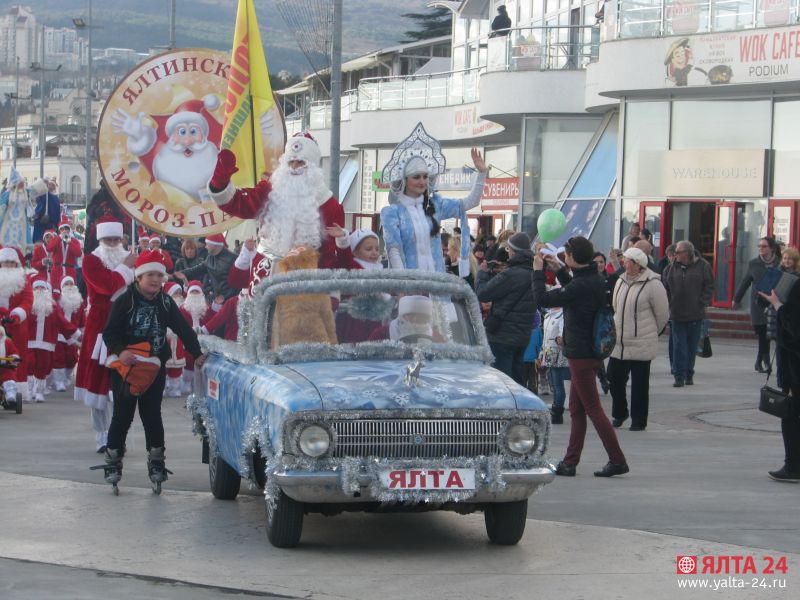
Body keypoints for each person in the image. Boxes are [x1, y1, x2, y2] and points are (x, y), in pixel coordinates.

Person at [101, 250, 206, 487]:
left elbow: (183, 328)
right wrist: (121, 351)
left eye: (159, 275)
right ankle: (113, 459)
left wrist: (196, 353)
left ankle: (157, 461)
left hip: (155, 367)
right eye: (150, 275)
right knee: (123, 415)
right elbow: (109, 332)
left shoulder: (166, 302)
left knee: (152, 415)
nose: (156, 280)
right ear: (139, 277)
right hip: (127, 368)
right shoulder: (124, 300)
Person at [532, 236, 629, 477]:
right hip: (590, 351)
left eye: (566, 255)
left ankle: (617, 460)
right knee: (576, 409)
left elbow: (542, 299)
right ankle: (570, 461)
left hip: (581, 353)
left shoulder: (581, 285)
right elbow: (574, 289)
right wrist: (561, 271)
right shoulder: (594, 277)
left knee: (593, 409)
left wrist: (537, 272)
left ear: (574, 257)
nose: (564, 257)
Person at [208, 132, 344, 288]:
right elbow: (237, 204)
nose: (294, 167)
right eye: (290, 162)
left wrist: (327, 293)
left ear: (313, 166)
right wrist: (220, 182)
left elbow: (329, 254)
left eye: (301, 162)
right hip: (265, 274)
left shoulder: (329, 204)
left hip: (304, 280)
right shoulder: (269, 191)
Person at [380, 124, 487, 276]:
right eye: (416, 177)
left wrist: (482, 173)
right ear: (404, 181)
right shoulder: (392, 213)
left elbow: (469, 203)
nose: (422, 181)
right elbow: (393, 251)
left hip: (437, 286)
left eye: (425, 176)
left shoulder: (436, 204)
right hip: (410, 286)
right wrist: (402, 284)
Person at [75, 217, 137, 453]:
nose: (112, 243)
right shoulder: (91, 260)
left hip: (125, 326)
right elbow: (107, 286)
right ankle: (102, 436)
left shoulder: (129, 260)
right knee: (99, 384)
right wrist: (127, 267)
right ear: (100, 240)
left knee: (123, 384)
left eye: (116, 239)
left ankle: (117, 433)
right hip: (100, 327)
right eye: (108, 240)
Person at [608, 248, 669, 431]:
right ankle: (620, 413)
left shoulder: (653, 284)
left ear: (637, 264)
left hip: (642, 341)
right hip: (619, 342)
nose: (623, 263)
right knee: (614, 378)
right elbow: (615, 307)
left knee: (640, 384)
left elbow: (662, 314)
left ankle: (639, 420)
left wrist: (650, 333)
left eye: (626, 260)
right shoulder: (620, 281)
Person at [476, 232, 537, 386]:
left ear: (514, 251)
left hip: (502, 336)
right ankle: (521, 409)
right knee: (517, 381)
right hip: (522, 336)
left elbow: (483, 293)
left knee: (502, 383)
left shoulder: (511, 275)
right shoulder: (534, 273)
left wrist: (482, 273)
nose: (507, 252)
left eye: (509, 249)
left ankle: (507, 410)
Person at [759, 276, 800, 481]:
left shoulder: (796, 287)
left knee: (791, 416)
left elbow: (794, 328)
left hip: (795, 369)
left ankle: (793, 466)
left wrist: (778, 306)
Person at [661, 240, 713, 387]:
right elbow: (664, 289)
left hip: (695, 313)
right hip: (676, 313)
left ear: (687, 253)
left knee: (691, 345)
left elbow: (709, 286)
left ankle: (689, 372)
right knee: (679, 345)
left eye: (678, 252)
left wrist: (702, 302)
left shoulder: (703, 266)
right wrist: (669, 303)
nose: (674, 255)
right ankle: (679, 376)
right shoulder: (670, 269)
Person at [733, 236, 781, 373]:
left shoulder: (779, 263)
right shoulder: (753, 263)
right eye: (759, 246)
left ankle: (760, 361)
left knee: (771, 332)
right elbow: (746, 281)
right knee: (762, 333)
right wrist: (736, 299)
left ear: (771, 248)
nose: (761, 249)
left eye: (764, 246)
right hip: (758, 304)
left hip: (774, 302)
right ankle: (764, 361)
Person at [26, 280, 78, 402]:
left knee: (43, 367)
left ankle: (39, 391)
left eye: (42, 287)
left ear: (47, 291)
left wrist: (75, 334)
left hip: (46, 343)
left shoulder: (53, 306)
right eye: (37, 287)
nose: (39, 289)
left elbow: (62, 323)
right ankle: (28, 390)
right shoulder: (28, 304)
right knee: (29, 363)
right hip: (29, 341)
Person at [0, 247, 33, 407]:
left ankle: (17, 388)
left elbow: (27, 300)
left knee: (16, 356)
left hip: (17, 324)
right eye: (5, 262)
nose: (8, 265)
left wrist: (17, 314)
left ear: (16, 264)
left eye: (12, 263)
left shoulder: (23, 280)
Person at [175, 233, 238, 300]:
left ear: (215, 244)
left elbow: (239, 281)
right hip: (216, 298)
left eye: (207, 244)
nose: (205, 246)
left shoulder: (233, 258)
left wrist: (226, 296)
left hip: (229, 298)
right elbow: (195, 270)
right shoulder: (210, 257)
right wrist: (175, 275)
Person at [52, 275, 84, 391]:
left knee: (72, 358)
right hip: (59, 335)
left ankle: (66, 378)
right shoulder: (58, 302)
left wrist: (82, 334)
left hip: (74, 336)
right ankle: (59, 381)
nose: (69, 286)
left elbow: (81, 321)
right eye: (66, 284)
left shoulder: (79, 302)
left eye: (71, 283)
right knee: (59, 358)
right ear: (62, 287)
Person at [539, 302, 569, 424]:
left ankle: (557, 412)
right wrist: (542, 353)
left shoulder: (562, 315)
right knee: (554, 385)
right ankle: (556, 408)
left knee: (558, 386)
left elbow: (562, 335)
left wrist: (560, 339)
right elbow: (545, 337)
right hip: (549, 354)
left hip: (559, 354)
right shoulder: (548, 315)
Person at [46, 216, 82, 296]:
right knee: (56, 293)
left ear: (69, 230)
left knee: (70, 293)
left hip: (70, 271)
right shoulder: (55, 239)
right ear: (60, 230)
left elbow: (78, 253)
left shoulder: (74, 241)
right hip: (57, 271)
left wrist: (70, 243)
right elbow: (49, 248)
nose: (65, 231)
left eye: (66, 229)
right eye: (62, 229)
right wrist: (59, 238)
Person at [0, 169, 30, 248]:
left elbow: (34, 190)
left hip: (21, 221)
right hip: (9, 221)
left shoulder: (25, 193)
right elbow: (2, 206)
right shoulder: (7, 194)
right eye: (21, 182)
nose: (23, 184)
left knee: (21, 243)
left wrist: (42, 182)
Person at [30, 177, 61, 243]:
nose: (51, 186)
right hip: (48, 226)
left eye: (53, 185)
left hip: (45, 226)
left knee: (43, 246)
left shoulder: (49, 197)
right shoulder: (53, 198)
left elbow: (39, 212)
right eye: (50, 184)